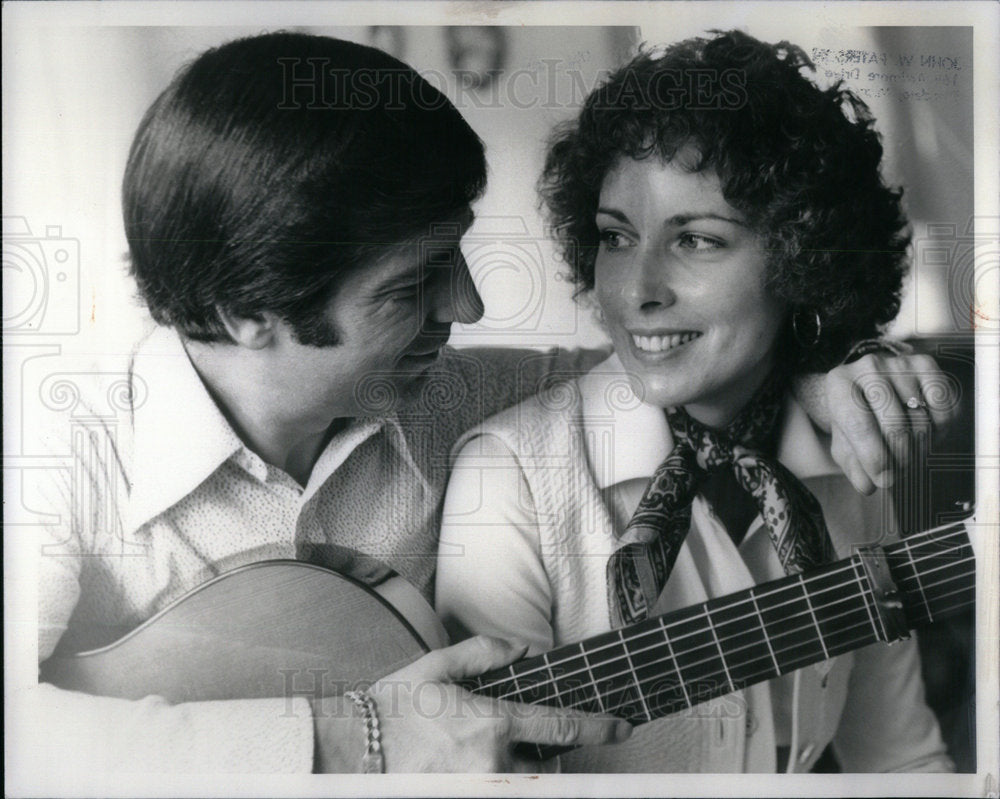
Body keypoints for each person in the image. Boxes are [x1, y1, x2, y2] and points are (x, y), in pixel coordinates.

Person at [30, 31, 951, 776]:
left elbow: (662, 358)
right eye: (412, 285)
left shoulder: (455, 395)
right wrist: (349, 737)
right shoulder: (54, 454)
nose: (467, 308)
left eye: (459, 258)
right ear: (247, 310)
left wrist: (830, 365)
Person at [436, 30, 955, 773]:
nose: (637, 290)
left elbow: (901, 760)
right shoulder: (510, 479)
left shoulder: (848, 453)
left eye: (698, 241)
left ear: (803, 260)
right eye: (617, 237)